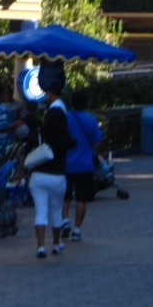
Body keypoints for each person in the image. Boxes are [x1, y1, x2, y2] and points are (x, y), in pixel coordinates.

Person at [15, 105, 76, 258]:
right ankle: (56, 244)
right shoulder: (64, 135)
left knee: (40, 211)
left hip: (37, 177)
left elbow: (24, 155)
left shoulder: (38, 133)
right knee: (56, 211)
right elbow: (74, 144)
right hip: (58, 177)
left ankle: (41, 246)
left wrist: (19, 173)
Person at [61, 91, 103, 241]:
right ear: (86, 104)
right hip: (85, 165)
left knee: (64, 196)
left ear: (71, 102)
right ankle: (77, 231)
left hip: (66, 164)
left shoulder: (64, 118)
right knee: (81, 199)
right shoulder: (91, 120)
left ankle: (65, 221)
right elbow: (98, 142)